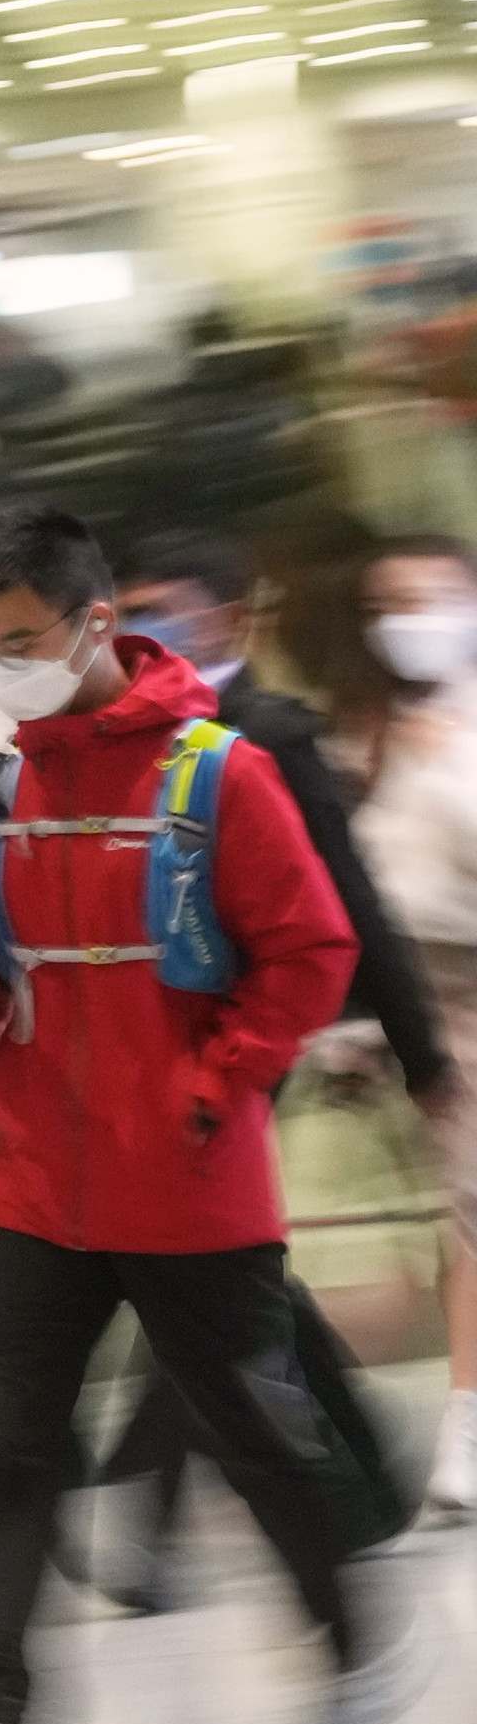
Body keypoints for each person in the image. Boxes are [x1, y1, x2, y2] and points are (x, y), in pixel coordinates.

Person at [0, 506, 422, 1724]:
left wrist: (214, 1092)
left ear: (97, 623)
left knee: (258, 1434)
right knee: (17, 1448)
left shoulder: (219, 773)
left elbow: (310, 949)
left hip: (188, 1179)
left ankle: (353, 1646)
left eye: (18, 640)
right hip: (39, 1176)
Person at [85, 534, 443, 1602]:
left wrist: (419, 1053)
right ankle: (371, 1477)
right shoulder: (134, 736)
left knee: (209, 1282)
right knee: (237, 1284)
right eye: (131, 609)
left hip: (257, 1049)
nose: (147, 630)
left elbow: (348, 906)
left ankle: (145, 1509)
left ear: (232, 616)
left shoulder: (267, 737)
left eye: (168, 608)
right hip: (170, 1046)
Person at [326, 533, 477, 1516]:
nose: (413, 617)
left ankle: (464, 1427)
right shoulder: (377, 731)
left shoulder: (447, 736)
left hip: (464, 996)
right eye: (392, 601)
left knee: (466, 1221)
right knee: (426, 1237)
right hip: (407, 1008)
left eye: (436, 594)